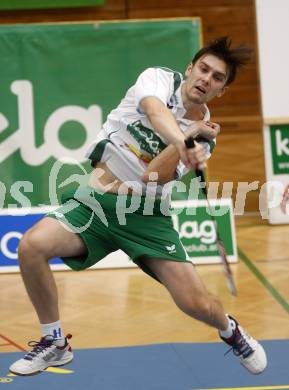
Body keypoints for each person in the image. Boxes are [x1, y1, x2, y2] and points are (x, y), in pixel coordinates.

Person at [10, 37, 267, 376]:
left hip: (147, 217)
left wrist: (192, 134)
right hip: (94, 204)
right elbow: (154, 110)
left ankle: (231, 331)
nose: (206, 79)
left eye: (217, 78)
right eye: (203, 69)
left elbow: (153, 176)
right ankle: (54, 342)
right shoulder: (158, 79)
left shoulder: (207, 136)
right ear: (190, 69)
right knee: (31, 246)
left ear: (222, 90)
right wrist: (183, 138)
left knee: (197, 304)